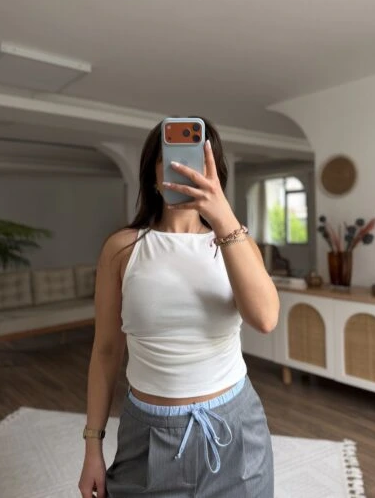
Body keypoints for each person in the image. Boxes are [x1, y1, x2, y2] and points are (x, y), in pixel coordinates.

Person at [78, 117, 279, 498]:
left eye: (199, 159)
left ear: (215, 173)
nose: (185, 168)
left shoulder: (236, 242)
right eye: (171, 158)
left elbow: (266, 319)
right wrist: (92, 448)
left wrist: (222, 215)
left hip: (236, 428)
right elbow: (105, 351)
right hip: (147, 432)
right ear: (153, 174)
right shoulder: (122, 249)